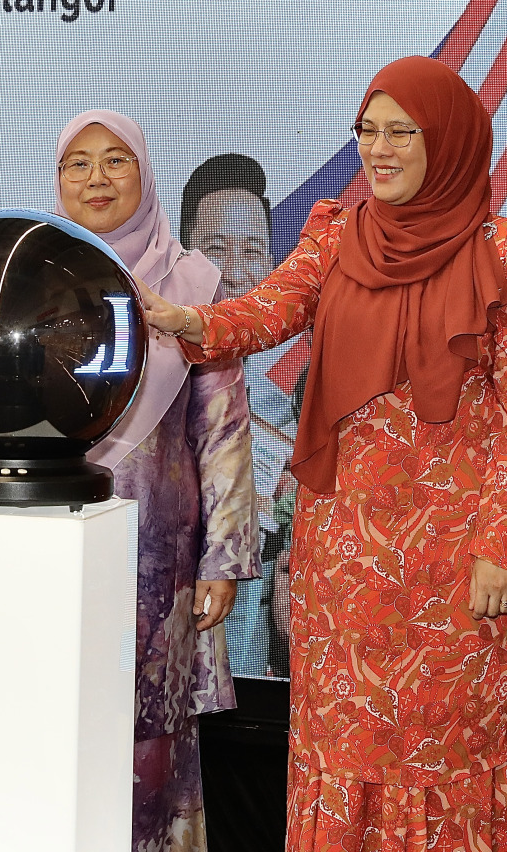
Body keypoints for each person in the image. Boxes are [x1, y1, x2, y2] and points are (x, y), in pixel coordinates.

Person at [141, 57, 507, 852]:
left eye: (401, 132)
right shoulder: (336, 233)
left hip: (454, 564)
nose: (377, 149)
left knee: (441, 756)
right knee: (341, 751)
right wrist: (188, 321)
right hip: (342, 559)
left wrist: (503, 545)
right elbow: (266, 312)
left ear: (449, 141)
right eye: (366, 131)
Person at [55, 110, 257, 852]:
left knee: (149, 749)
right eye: (78, 162)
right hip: (47, 550)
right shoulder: (29, 277)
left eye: (116, 160)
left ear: (144, 174)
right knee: (52, 725)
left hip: (156, 559)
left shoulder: (193, 285)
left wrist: (222, 560)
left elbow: (223, 431)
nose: (97, 178)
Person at [180, 154, 301, 677]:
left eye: (251, 249)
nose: (234, 267)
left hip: (256, 661)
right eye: (215, 248)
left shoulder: (293, 406)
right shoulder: (150, 382)